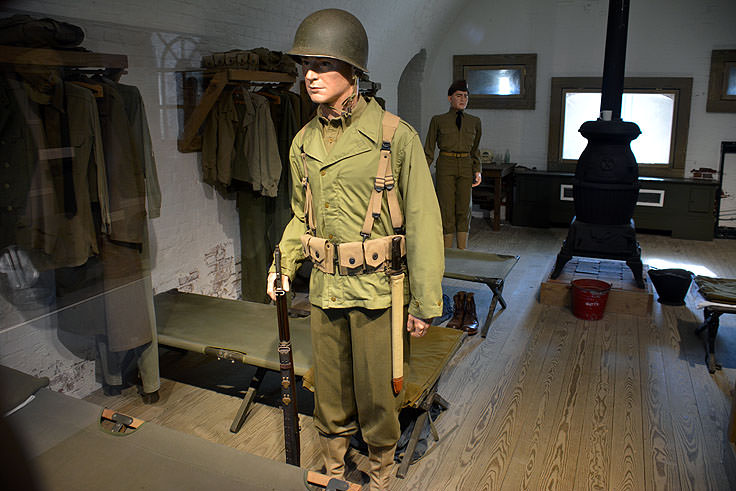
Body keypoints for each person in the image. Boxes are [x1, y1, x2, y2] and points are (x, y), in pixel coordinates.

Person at [265, 8, 444, 490]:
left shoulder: (393, 136)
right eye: (306, 65)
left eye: (323, 65)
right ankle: (335, 468)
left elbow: (425, 221)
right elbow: (301, 216)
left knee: (378, 390)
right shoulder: (303, 141)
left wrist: (426, 302)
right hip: (324, 288)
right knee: (329, 388)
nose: (310, 75)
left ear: (353, 72)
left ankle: (383, 469)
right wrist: (282, 264)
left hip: (378, 291)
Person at [424, 80, 482, 249]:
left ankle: (462, 249)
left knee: (464, 208)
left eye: (465, 96)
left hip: (466, 164)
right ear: (450, 98)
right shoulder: (438, 120)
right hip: (446, 164)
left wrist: (477, 170)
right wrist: (421, 171)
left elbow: (476, 149)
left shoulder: (474, 122)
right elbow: (429, 149)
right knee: (446, 208)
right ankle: (448, 251)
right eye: (459, 96)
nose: (463, 99)